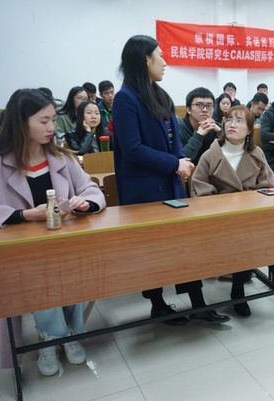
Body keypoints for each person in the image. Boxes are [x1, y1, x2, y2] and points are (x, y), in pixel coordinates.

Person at [112, 34, 228, 326]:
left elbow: (172, 139)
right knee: (152, 252)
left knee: (184, 247)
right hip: (143, 190)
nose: (165, 62)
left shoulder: (161, 95)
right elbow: (132, 148)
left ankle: (198, 304)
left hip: (171, 184)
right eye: (160, 55)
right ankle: (158, 305)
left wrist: (181, 161)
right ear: (145, 59)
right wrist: (174, 163)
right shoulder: (126, 98)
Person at [0, 88, 106, 376]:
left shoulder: (61, 157)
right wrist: (23, 215)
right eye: (43, 121)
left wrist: (85, 203)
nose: (51, 128)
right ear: (21, 123)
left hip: (65, 244)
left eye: (53, 120)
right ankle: (50, 338)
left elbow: (91, 189)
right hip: (24, 252)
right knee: (40, 286)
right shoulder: (1, 162)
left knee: (80, 278)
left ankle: (71, 334)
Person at [191, 105, 274, 333]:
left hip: (254, 219)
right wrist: (229, 206)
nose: (232, 124)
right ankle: (238, 290)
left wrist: (251, 204)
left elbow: (270, 186)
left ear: (250, 129)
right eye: (229, 120)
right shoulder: (210, 155)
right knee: (239, 243)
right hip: (222, 223)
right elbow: (200, 193)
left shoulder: (256, 153)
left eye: (239, 121)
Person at [177, 87, 222, 165]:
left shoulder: (216, 127)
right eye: (199, 105)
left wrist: (220, 132)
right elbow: (182, 160)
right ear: (188, 109)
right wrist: (199, 135)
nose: (205, 110)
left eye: (209, 105)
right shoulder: (178, 127)